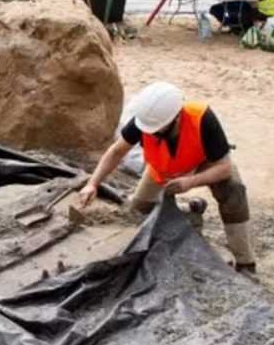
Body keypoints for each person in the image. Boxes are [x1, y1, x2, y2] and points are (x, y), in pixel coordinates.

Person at [77, 81, 256, 273]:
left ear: (176, 118)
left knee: (234, 191)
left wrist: (191, 181)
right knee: (138, 212)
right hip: (163, 168)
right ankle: (191, 210)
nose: (150, 132)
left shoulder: (202, 118)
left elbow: (224, 168)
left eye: (156, 128)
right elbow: (116, 152)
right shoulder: (144, 121)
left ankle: (245, 262)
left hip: (205, 163)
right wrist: (92, 184)